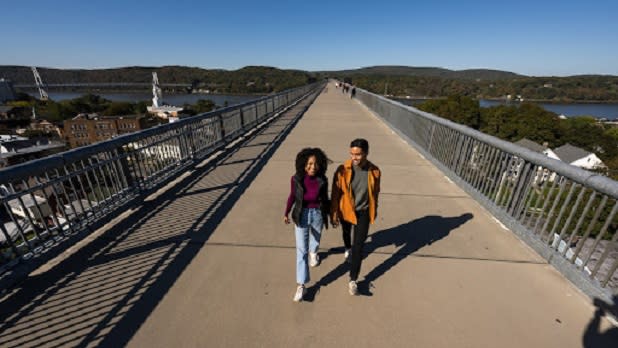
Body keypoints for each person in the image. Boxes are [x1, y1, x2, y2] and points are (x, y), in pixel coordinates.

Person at [331, 138, 381, 295]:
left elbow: (375, 193)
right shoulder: (342, 170)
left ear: (366, 153)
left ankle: (353, 280)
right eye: (352, 154)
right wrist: (334, 213)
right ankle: (347, 248)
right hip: (346, 210)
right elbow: (335, 193)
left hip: (364, 212)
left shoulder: (375, 171)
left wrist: (375, 209)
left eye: (358, 154)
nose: (354, 158)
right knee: (347, 234)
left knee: (358, 246)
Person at [284, 148, 331, 302]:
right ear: (303, 164)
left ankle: (314, 252)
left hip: (317, 213)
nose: (312, 167)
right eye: (309, 164)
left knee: (316, 238)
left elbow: (325, 198)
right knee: (301, 251)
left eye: (316, 164)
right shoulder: (296, 179)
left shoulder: (322, 179)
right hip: (301, 214)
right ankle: (301, 285)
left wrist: (331, 213)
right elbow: (292, 196)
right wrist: (286, 212)